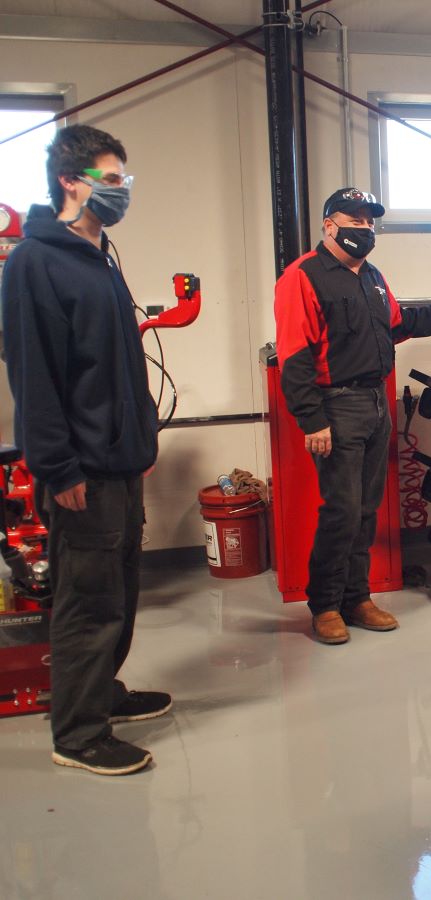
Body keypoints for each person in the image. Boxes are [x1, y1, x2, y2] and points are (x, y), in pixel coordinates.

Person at [2, 125, 169, 776]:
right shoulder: (34, 262)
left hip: (122, 459)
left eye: (124, 178)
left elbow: (119, 362)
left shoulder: (100, 255)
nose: (121, 189)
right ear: (71, 182)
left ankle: (103, 692)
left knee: (121, 591)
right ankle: (76, 732)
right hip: (83, 469)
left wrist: (143, 437)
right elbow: (34, 375)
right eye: (110, 178)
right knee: (89, 600)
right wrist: (57, 465)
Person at [274, 187, 431, 645]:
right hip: (336, 407)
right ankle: (325, 605)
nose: (365, 229)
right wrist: (312, 420)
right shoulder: (302, 278)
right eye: (355, 221)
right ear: (329, 225)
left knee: (366, 510)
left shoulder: (371, 276)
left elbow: (398, 323)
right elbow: (295, 357)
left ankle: (357, 597)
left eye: (370, 222)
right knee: (341, 511)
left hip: (374, 402)